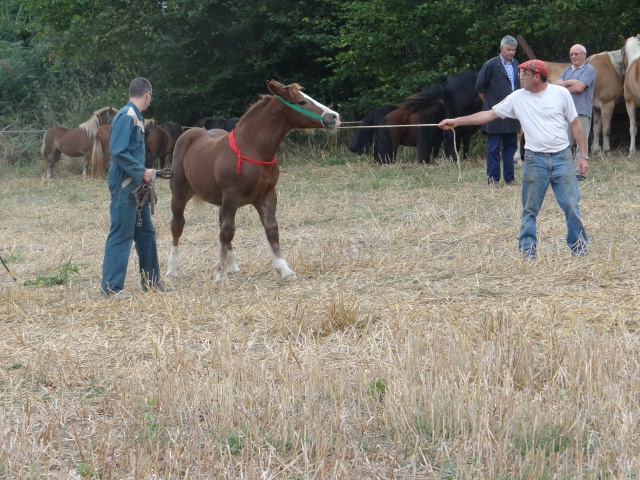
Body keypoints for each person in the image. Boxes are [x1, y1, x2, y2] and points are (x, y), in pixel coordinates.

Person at [438, 60, 589, 260]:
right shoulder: (517, 98)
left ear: (536, 76)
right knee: (530, 209)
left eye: (523, 74)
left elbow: (576, 124)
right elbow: (488, 114)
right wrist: (456, 121)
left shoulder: (560, 94)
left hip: (562, 158)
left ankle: (579, 249)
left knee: (571, 206)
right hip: (535, 161)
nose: (519, 78)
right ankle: (527, 252)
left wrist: (583, 156)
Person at [101, 77, 170, 297]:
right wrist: (142, 172)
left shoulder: (136, 118)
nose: (151, 100)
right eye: (151, 96)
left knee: (146, 232)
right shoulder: (127, 116)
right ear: (147, 94)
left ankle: (151, 283)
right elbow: (118, 151)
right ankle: (111, 289)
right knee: (121, 232)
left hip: (136, 185)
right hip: (125, 184)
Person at [476, 35, 521, 187]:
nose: (511, 53)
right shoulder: (490, 65)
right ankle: (493, 179)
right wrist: (490, 105)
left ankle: (510, 179)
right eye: (508, 49)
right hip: (495, 112)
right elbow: (480, 88)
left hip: (512, 113)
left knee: (510, 147)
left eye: (514, 50)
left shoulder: (516, 64)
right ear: (501, 48)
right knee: (493, 147)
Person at [554, 44, 596, 163]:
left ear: (583, 55)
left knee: (581, 143)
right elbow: (555, 85)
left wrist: (563, 86)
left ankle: (580, 171)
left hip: (581, 111)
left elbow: (579, 88)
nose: (573, 56)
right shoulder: (567, 70)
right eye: (571, 54)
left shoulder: (589, 69)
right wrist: (570, 82)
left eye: (576, 54)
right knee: (565, 141)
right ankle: (564, 168)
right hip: (566, 112)